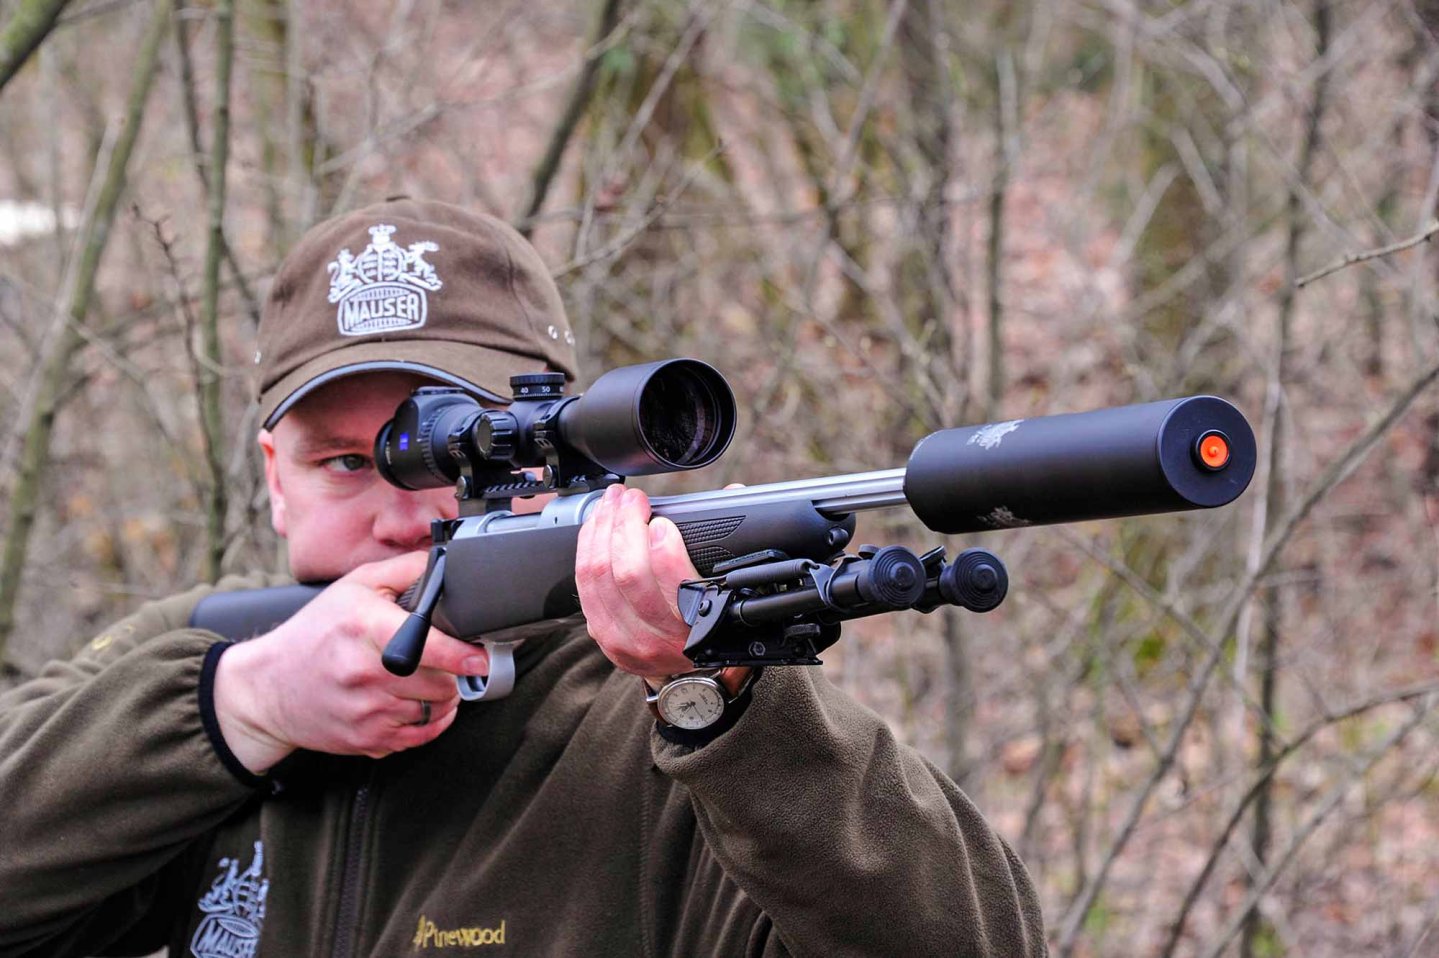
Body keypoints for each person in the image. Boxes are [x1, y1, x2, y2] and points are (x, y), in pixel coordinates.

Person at [0, 199, 1046, 957]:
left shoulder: (661, 721)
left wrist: (718, 699)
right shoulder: (205, 665)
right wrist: (243, 709)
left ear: (554, 454)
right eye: (345, 462)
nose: (408, 507)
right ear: (274, 480)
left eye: (452, 456)